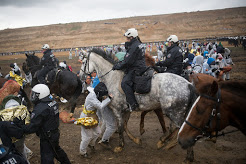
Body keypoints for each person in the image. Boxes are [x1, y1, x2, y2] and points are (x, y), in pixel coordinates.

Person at [21, 84, 71, 164]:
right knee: (56, 150)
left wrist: (20, 127)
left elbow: (32, 128)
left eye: (35, 94)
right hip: (54, 133)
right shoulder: (53, 102)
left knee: (46, 157)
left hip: (47, 137)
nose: (33, 96)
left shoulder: (40, 109)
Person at [112, 28, 147, 111]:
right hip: (141, 66)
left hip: (136, 68)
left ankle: (133, 104)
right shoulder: (139, 44)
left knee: (124, 83)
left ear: (132, 37)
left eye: (127, 38)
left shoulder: (134, 46)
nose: (126, 40)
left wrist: (117, 66)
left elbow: (127, 61)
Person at [79, 82, 112, 158]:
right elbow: (100, 106)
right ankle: (82, 152)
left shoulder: (96, 92)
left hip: (93, 116)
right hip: (86, 117)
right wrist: (108, 98)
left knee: (98, 132)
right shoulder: (92, 97)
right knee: (87, 136)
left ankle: (91, 144)